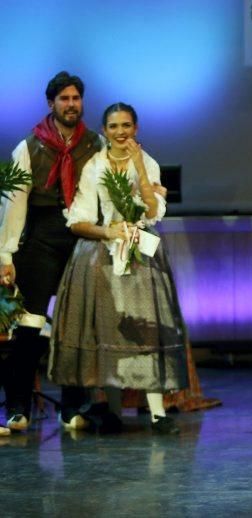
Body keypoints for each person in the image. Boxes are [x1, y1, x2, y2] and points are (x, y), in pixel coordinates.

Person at [48, 102, 187, 434]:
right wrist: (107, 231)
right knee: (109, 329)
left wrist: (138, 163)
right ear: (104, 131)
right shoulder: (95, 165)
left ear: (135, 128)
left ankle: (157, 413)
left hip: (140, 248)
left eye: (126, 125)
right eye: (114, 126)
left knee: (147, 329)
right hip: (104, 253)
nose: (120, 132)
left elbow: (153, 211)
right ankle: (112, 410)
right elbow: (78, 220)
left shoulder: (147, 163)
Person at [0, 71, 104, 432]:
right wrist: (6, 255)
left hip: (80, 237)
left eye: (76, 98)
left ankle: (72, 408)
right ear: (51, 103)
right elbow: (14, 205)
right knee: (29, 325)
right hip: (41, 237)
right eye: (64, 99)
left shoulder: (95, 143)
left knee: (74, 326)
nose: (71, 104)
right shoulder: (29, 147)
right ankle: (17, 408)